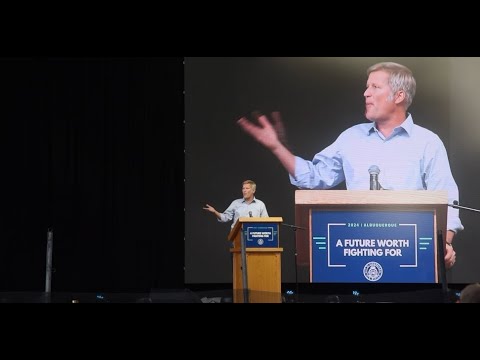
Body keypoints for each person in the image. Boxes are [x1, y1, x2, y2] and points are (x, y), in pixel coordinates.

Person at [237, 61, 463, 269]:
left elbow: (447, 197)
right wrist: (277, 146)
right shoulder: (351, 138)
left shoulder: (427, 142)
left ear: (399, 95)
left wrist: (446, 244)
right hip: (354, 251)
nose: (366, 93)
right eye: (367, 87)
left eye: (375, 87)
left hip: (412, 255)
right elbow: (313, 178)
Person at [203, 179, 269, 228]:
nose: (244, 190)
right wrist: (214, 211)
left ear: (253, 190)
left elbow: (266, 222)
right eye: (243, 188)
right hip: (237, 236)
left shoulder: (260, 204)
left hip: (254, 236)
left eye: (247, 188)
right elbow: (225, 218)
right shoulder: (236, 203)